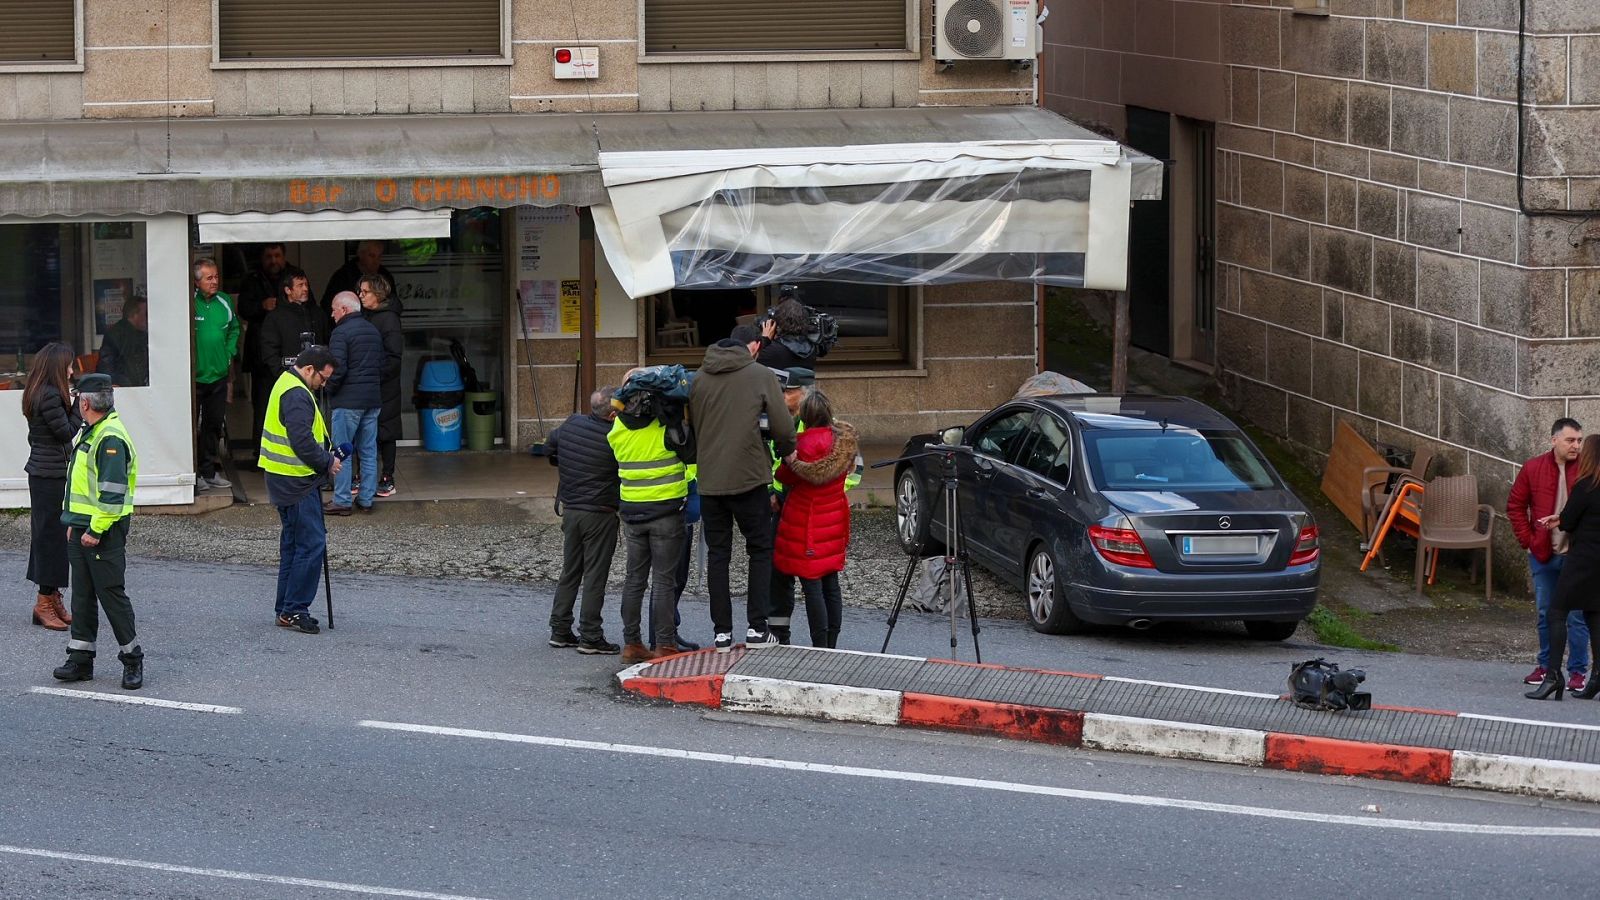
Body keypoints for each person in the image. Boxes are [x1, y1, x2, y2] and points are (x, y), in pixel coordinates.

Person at [689, 323, 796, 652]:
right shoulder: (760, 374)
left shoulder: (699, 378)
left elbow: (694, 427)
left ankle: (721, 633)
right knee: (760, 550)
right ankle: (756, 628)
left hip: (710, 480)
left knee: (718, 555)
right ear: (751, 346)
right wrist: (786, 447)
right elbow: (781, 424)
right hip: (750, 477)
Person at [51, 374, 144, 691]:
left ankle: (132, 659)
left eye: (79, 397)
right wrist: (75, 523)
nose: (77, 401)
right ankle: (80, 659)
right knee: (83, 595)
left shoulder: (110, 439)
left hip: (102, 529)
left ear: (86, 402)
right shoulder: (93, 431)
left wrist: (93, 529)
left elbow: (112, 495)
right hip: (82, 526)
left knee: (111, 595)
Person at [608, 377, 694, 663]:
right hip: (666, 513)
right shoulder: (665, 426)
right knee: (663, 581)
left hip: (632, 511)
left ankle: (632, 644)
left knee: (634, 579)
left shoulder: (618, 427)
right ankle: (665, 644)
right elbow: (689, 452)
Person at [260, 346, 341, 635]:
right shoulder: (296, 395)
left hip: (284, 479)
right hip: (297, 481)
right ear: (309, 370)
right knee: (311, 544)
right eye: (323, 377)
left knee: (294, 545)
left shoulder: (287, 383)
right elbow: (302, 442)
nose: (324, 383)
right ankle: (294, 609)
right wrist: (327, 461)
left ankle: (286, 608)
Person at [1508, 417, 1590, 692]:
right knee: (1545, 613)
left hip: (1577, 557)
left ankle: (1578, 671)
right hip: (1543, 553)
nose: (1576, 446)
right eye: (1570, 440)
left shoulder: (1588, 470)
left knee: (1577, 616)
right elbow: (1515, 505)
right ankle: (1546, 667)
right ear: (1554, 440)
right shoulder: (1534, 468)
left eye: (1579, 440)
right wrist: (1528, 541)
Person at [774, 389, 857, 649]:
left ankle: (819, 645)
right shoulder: (843, 442)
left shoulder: (801, 445)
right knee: (831, 581)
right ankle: (831, 642)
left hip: (807, 522)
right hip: (834, 519)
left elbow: (783, 476)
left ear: (806, 415)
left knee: (812, 586)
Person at [546, 387, 622, 654]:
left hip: (571, 510)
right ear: (613, 414)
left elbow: (549, 446)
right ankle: (590, 635)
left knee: (570, 571)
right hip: (599, 513)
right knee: (594, 576)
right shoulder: (616, 437)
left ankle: (560, 629)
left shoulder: (571, 423)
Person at [1526, 434, 1600, 700]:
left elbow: (1569, 521)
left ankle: (1553, 676)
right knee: (1594, 615)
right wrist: (1564, 518)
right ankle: (1597, 677)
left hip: (1581, 561)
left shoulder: (1586, 485)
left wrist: (1561, 518)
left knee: (1557, 612)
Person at [22, 343, 80, 631]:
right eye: (69, 366)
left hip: (48, 472)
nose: (72, 371)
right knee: (50, 539)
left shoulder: (42, 391)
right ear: (57, 366)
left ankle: (52, 597)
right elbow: (66, 432)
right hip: (48, 475)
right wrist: (80, 408)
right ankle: (44, 603)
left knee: (52, 537)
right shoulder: (49, 395)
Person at [325, 292, 383, 515]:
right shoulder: (373, 330)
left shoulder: (340, 333)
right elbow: (382, 364)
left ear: (344, 310)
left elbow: (338, 368)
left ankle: (342, 500)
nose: (332, 314)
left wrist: (327, 388)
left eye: (334, 309)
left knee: (342, 451)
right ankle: (367, 499)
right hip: (372, 399)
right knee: (368, 451)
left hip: (348, 401)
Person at [192, 258, 239, 493]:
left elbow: (235, 329)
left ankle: (209, 472)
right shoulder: (189, 302)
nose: (214, 281)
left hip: (218, 376)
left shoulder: (225, 301)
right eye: (209, 278)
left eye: (216, 277)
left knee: (213, 425)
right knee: (191, 428)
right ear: (196, 282)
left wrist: (229, 352)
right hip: (193, 379)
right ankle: (193, 473)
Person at [238, 243, 290, 449]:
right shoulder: (252, 279)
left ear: (284, 257)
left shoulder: (294, 277)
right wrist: (262, 306)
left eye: (277, 256)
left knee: (290, 404)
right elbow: (242, 308)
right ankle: (261, 453)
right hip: (261, 356)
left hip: (289, 353)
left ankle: (289, 450)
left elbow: (307, 306)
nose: (273, 261)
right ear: (262, 258)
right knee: (262, 407)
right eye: (269, 256)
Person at [359, 274, 403, 498]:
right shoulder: (366, 316)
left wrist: (375, 374)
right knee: (364, 429)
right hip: (368, 383)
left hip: (384, 385)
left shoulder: (389, 319)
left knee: (386, 430)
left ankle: (387, 476)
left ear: (378, 294)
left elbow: (394, 357)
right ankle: (362, 476)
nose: (361, 295)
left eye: (365, 292)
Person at [259, 265, 326, 376]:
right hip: (288, 378)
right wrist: (283, 375)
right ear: (288, 290)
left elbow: (327, 343)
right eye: (300, 285)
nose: (305, 289)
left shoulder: (318, 314)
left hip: (317, 379)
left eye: (306, 284)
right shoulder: (274, 318)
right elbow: (270, 353)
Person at [324, 240, 400, 330]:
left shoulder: (385, 276)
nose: (376, 261)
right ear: (361, 254)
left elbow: (394, 303)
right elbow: (328, 305)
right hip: (350, 330)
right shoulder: (344, 276)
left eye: (379, 256)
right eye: (372, 256)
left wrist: (381, 312)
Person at [96, 295, 149, 387]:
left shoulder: (143, 335)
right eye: (145, 314)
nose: (149, 318)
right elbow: (106, 369)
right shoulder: (115, 336)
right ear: (134, 315)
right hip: (126, 391)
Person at [756, 297, 819, 371]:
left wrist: (765, 340)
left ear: (776, 324)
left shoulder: (770, 351)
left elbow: (748, 364)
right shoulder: (811, 351)